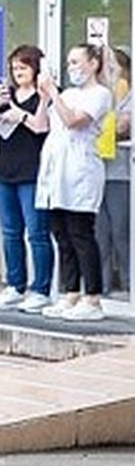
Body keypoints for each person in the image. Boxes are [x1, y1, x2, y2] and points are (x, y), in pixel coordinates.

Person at [36, 42, 112, 320]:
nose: (72, 69)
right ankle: (71, 294)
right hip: (57, 170)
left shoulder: (100, 94)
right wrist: (46, 95)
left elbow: (73, 121)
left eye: (77, 62)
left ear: (93, 64)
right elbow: (43, 124)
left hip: (80, 170)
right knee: (62, 235)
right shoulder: (67, 93)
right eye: (69, 63)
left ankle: (93, 298)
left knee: (81, 233)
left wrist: (54, 93)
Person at [0, 45, 53, 312]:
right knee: (10, 233)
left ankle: (41, 288)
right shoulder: (7, 96)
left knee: (37, 233)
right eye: (14, 68)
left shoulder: (45, 96)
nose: (17, 72)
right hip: (5, 172)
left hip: (32, 173)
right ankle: (15, 285)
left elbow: (41, 126)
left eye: (23, 67)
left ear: (36, 69)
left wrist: (20, 114)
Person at [95, 47, 131, 295]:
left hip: (122, 173)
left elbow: (123, 127)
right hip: (98, 171)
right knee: (100, 234)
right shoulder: (99, 95)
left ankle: (129, 283)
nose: (109, 72)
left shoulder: (128, 96)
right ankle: (102, 285)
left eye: (113, 67)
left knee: (122, 232)